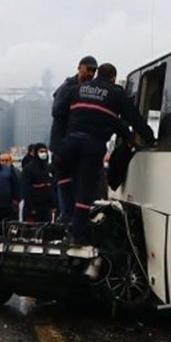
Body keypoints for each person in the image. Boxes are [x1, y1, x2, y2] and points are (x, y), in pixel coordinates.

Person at [52, 62, 154, 242]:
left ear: (97, 74)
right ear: (113, 78)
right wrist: (150, 138)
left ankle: (66, 215)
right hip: (92, 146)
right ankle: (77, 232)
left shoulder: (78, 89)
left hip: (70, 142)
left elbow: (59, 112)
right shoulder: (116, 94)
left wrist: (58, 144)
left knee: (63, 174)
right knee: (86, 188)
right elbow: (133, 119)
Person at [50, 56, 98, 215]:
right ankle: (65, 217)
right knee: (64, 183)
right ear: (79, 68)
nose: (91, 73)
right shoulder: (68, 87)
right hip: (63, 143)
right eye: (88, 69)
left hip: (79, 144)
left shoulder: (90, 89)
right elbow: (56, 112)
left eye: (94, 70)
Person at [21, 143, 56, 222]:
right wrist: (31, 208)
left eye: (45, 151)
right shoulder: (28, 169)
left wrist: (53, 204)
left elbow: (51, 188)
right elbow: (26, 190)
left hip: (46, 207)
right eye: (41, 151)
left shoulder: (47, 168)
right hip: (33, 207)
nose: (43, 154)